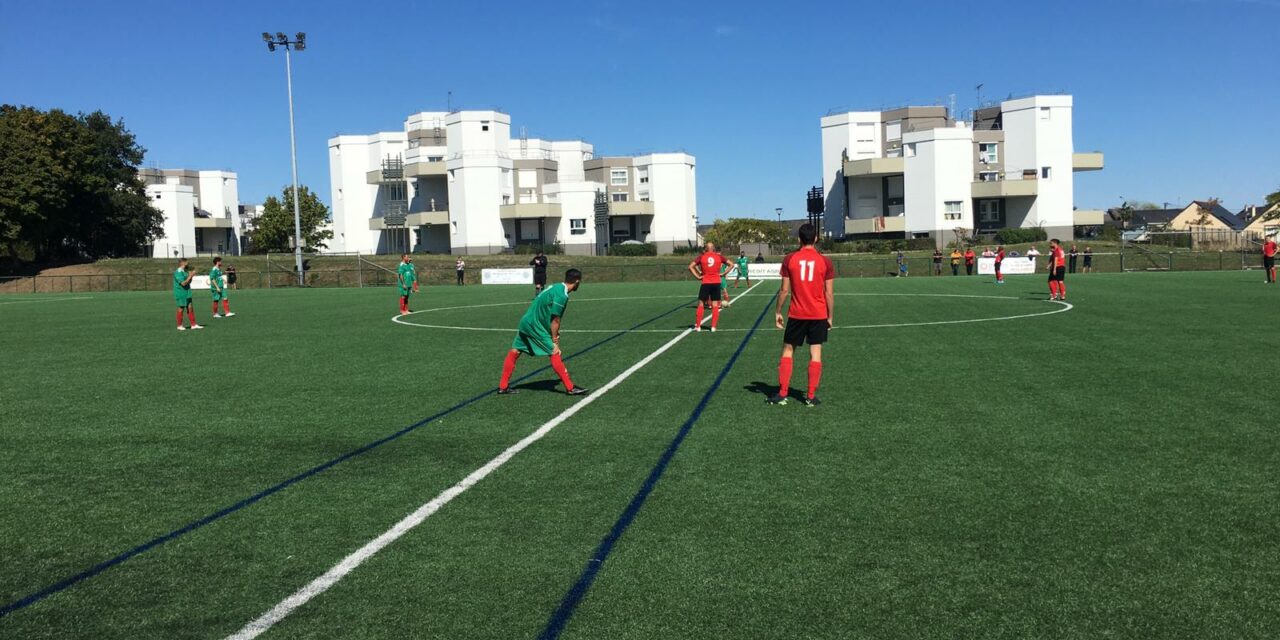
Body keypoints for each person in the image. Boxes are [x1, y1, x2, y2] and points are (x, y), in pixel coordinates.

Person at [768, 223, 833, 407]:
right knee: (816, 353)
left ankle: (782, 393)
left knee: (788, 351)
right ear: (816, 238)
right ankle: (810, 396)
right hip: (818, 314)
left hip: (797, 314)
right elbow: (829, 293)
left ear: (798, 239)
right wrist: (830, 316)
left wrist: (778, 311)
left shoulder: (790, 259)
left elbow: (784, 290)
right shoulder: (825, 261)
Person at [497, 269, 589, 396]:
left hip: (526, 322)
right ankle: (570, 387)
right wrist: (555, 339)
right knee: (554, 351)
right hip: (535, 327)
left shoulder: (556, 286)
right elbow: (555, 319)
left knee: (515, 351)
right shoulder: (562, 295)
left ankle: (503, 386)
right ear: (577, 281)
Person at [687, 242, 728, 332]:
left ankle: (698, 326)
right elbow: (731, 264)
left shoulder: (701, 257)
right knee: (715, 305)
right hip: (716, 282)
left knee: (701, 304)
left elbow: (690, 267)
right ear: (713, 248)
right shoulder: (719, 257)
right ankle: (713, 327)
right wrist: (724, 273)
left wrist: (698, 277)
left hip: (705, 282)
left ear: (705, 249)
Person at [173, 258, 203, 331]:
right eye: (187, 262)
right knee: (181, 308)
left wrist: (191, 276)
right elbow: (183, 283)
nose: (188, 263)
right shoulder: (178, 272)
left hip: (187, 292)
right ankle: (179, 325)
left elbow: (188, 282)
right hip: (181, 293)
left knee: (190, 307)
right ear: (182, 263)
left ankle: (193, 325)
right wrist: (190, 275)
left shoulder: (185, 271)